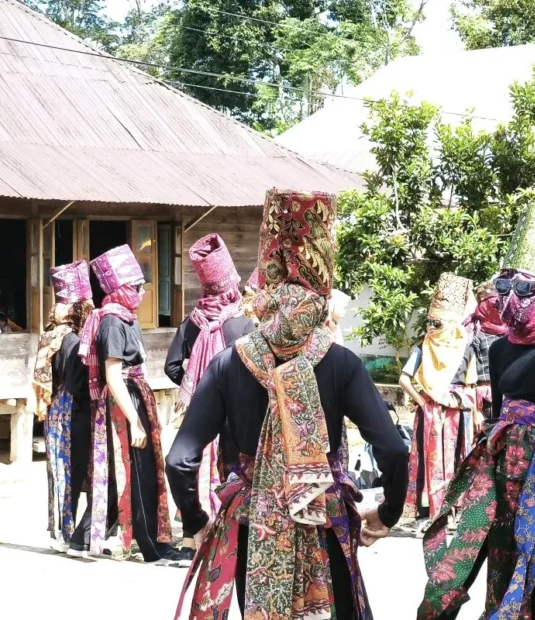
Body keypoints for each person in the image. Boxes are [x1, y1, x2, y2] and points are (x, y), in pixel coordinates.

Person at [170, 189, 409, 619]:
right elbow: (393, 448)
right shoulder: (342, 364)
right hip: (324, 518)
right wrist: (388, 512)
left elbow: (180, 459)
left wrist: (196, 521)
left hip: (250, 524)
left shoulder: (229, 362)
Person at [417, 204, 535, 619]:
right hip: (498, 465)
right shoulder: (500, 346)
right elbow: (498, 407)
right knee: (485, 549)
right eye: (503, 286)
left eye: (524, 289)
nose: (510, 299)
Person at [78, 244, 182, 564]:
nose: (140, 292)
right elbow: (112, 374)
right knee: (135, 474)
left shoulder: (128, 318)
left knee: (146, 471)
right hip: (125, 401)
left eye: (141, 285)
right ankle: (150, 545)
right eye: (134, 286)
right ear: (119, 288)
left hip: (138, 393)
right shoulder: (111, 321)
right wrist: (134, 419)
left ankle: (148, 539)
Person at [164, 233, 253, 562]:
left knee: (190, 467)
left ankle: (191, 539)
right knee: (230, 473)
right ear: (231, 287)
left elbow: (172, 366)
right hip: (233, 416)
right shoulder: (244, 326)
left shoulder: (191, 324)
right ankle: (226, 536)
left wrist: (197, 386)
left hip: (198, 414)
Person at [400, 272, 478, 534]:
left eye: (438, 323)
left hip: (457, 417)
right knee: (427, 461)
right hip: (431, 416)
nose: (432, 328)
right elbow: (404, 379)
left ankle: (453, 511)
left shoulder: (464, 349)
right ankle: (428, 513)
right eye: (430, 322)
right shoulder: (423, 348)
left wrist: (474, 411)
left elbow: (471, 385)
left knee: (458, 462)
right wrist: (423, 402)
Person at [31, 260, 95, 556]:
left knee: (58, 470)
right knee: (71, 468)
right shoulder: (71, 340)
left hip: (55, 409)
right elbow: (77, 382)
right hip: (71, 410)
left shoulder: (51, 335)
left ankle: (59, 528)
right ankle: (68, 532)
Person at [468, 281, 508, 422]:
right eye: (493, 306)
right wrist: (475, 410)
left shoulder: (512, 336)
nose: (497, 309)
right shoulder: (476, 336)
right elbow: (469, 375)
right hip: (483, 395)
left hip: (507, 396)